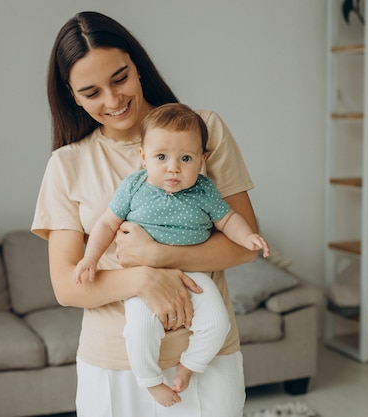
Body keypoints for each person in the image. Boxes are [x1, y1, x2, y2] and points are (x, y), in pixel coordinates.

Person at [32, 11, 261, 417]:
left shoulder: (203, 131)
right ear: (73, 96)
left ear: (138, 66)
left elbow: (243, 247)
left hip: (206, 358)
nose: (113, 100)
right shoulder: (67, 164)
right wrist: (142, 278)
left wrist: (156, 256)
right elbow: (67, 287)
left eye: (120, 78)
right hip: (114, 364)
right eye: (91, 92)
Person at [73, 103, 270, 407]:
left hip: (194, 274)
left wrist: (248, 237)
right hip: (144, 280)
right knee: (139, 330)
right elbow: (107, 223)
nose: (173, 167)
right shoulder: (134, 186)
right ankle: (150, 382)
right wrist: (90, 258)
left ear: (203, 160)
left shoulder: (204, 190)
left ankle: (189, 367)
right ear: (143, 156)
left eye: (186, 158)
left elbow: (228, 220)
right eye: (161, 157)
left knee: (218, 322)